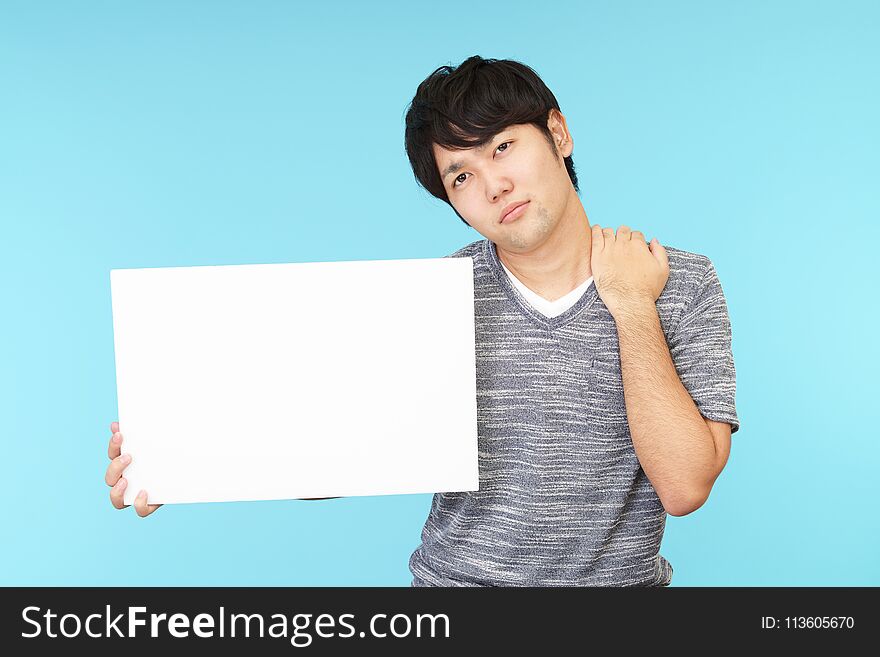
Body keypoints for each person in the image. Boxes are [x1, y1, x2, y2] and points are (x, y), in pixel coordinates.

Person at [105, 55, 740, 587]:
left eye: (503, 147)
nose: (493, 184)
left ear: (559, 133)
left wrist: (631, 304)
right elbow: (349, 451)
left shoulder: (675, 282)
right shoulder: (434, 298)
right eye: (461, 174)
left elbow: (684, 486)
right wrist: (185, 461)